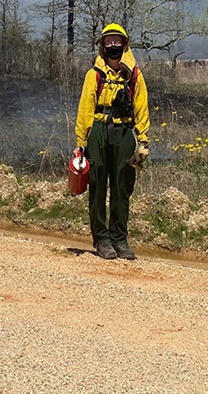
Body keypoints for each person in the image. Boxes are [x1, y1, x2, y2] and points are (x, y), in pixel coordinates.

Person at [74, 23, 150, 260]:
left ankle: (119, 238)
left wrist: (143, 141)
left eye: (117, 41)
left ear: (124, 45)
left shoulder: (134, 75)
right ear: (102, 46)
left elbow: (142, 108)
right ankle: (101, 239)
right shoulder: (94, 75)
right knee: (97, 184)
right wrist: (81, 142)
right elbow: (85, 109)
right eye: (109, 42)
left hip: (124, 131)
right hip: (98, 130)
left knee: (122, 186)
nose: (113, 46)